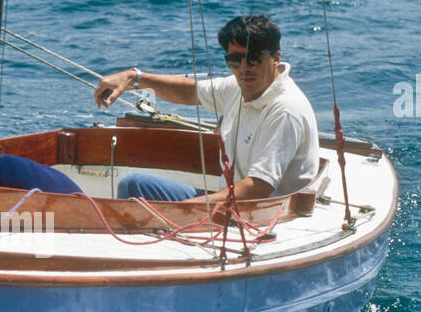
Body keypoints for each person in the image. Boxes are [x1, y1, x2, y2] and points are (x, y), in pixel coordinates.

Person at [93, 14, 319, 202]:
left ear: (275, 58)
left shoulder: (285, 109)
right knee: (133, 185)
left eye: (252, 59)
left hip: (263, 215)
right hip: (229, 203)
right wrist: (135, 78)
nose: (242, 69)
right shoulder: (237, 87)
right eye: (234, 60)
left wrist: (188, 208)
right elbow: (190, 91)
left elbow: (259, 187)